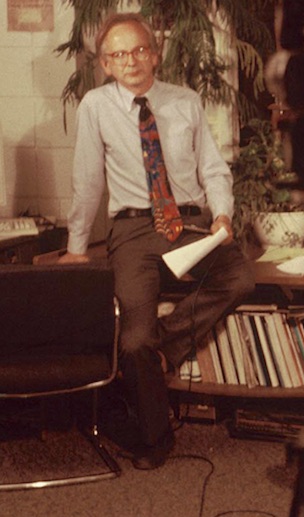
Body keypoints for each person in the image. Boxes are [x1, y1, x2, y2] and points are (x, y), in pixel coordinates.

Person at [60, 13, 255, 469]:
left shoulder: (185, 101)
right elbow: (87, 180)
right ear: (105, 64)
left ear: (156, 53)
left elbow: (212, 168)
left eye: (139, 50)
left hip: (190, 226)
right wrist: (75, 244)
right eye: (119, 54)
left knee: (241, 278)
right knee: (132, 342)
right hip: (133, 231)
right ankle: (156, 435)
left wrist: (223, 214)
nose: (131, 61)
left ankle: (165, 349)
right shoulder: (95, 106)